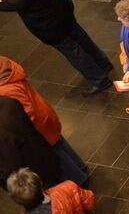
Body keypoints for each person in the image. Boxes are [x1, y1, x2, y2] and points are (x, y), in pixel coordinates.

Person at [0, 0, 114, 95]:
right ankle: (102, 63)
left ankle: (99, 80)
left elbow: (3, 1)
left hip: (50, 28)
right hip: (63, 11)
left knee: (73, 52)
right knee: (80, 36)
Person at [0, 57, 87, 186]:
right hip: (44, 115)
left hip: (38, 128)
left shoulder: (5, 91)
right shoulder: (5, 67)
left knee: (58, 156)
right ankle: (80, 166)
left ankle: (79, 181)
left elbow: (26, 114)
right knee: (60, 145)